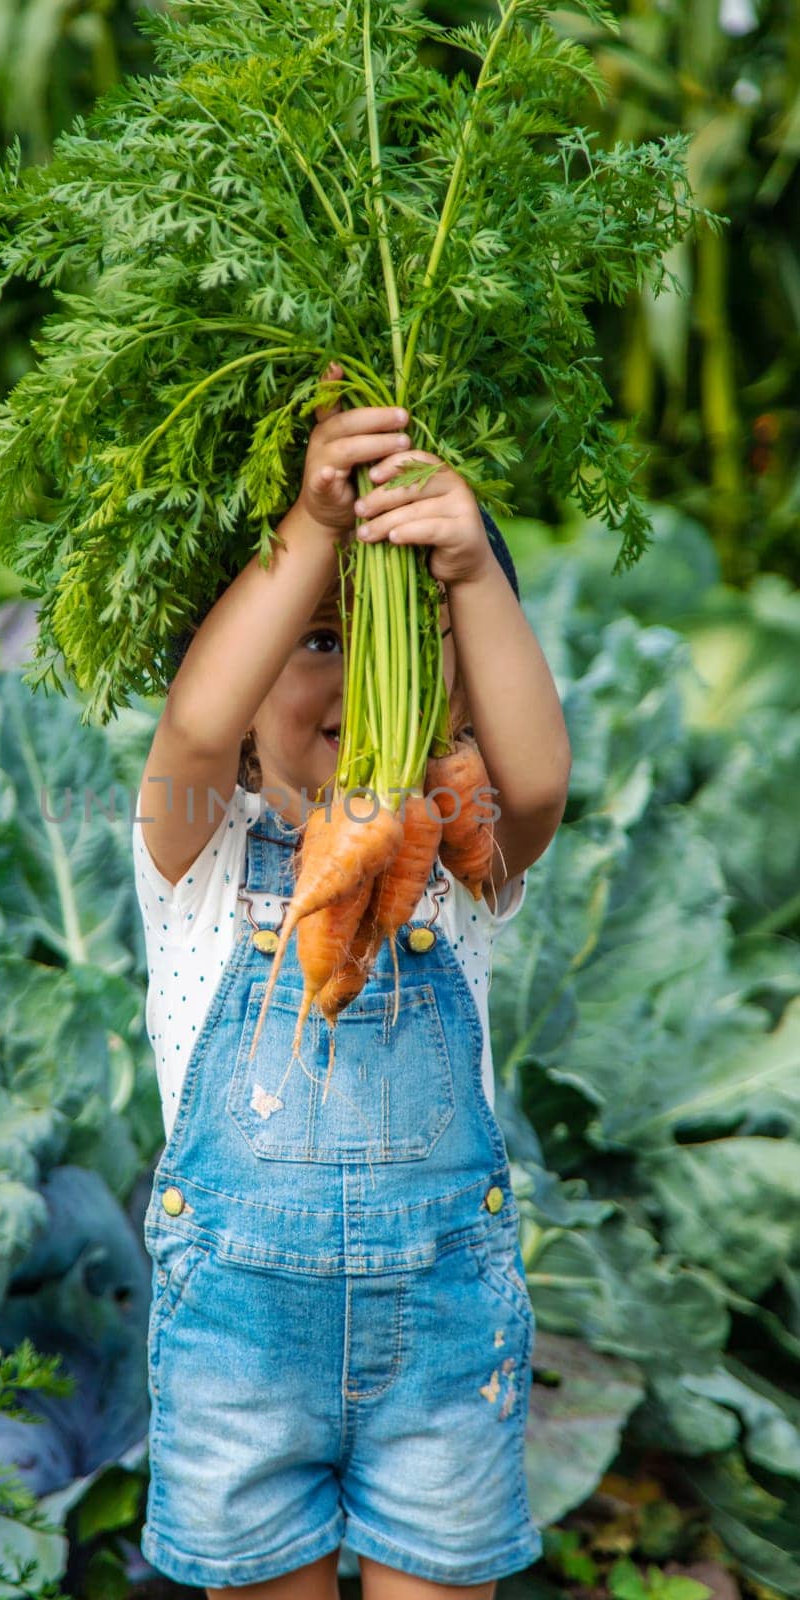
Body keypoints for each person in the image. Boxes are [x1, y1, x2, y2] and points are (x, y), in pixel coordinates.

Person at [131, 361, 572, 1600]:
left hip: (439, 1343)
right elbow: (197, 728)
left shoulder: (452, 851)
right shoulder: (194, 848)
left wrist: (471, 570)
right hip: (241, 1354)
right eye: (318, 639)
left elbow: (535, 783)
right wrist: (316, 525)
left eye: (402, 642)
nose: (360, 673)